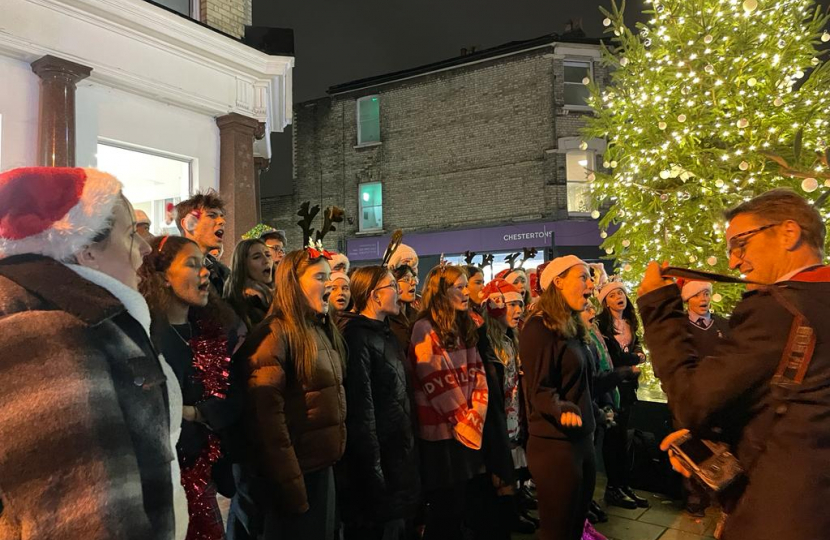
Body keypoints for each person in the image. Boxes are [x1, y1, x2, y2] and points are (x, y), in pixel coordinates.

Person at [638, 188, 830, 540]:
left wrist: (658, 307)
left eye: (741, 243)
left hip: (780, 518)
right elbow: (792, 406)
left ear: (789, 232)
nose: (733, 262)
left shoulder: (779, 309)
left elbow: (692, 401)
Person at [0, 167, 179, 539]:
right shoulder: (42, 329)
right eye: (131, 235)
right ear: (85, 251)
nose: (146, 248)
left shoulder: (82, 315)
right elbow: (83, 517)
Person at [232, 248, 347, 540]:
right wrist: (292, 488)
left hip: (320, 473)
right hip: (295, 480)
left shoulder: (317, 328)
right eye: (320, 277)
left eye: (329, 276)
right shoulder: (273, 336)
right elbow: (268, 425)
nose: (330, 284)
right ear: (294, 283)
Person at [140, 235, 245, 540]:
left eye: (205, 265)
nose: (205, 272)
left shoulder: (213, 332)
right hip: (167, 483)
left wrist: (194, 412)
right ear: (163, 279)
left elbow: (233, 399)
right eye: (191, 264)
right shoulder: (146, 337)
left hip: (208, 477)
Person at [337, 266, 420, 540]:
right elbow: (363, 413)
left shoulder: (386, 334)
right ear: (374, 295)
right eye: (393, 287)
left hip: (399, 457)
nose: (398, 292)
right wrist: (376, 478)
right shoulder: (358, 337)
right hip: (382, 465)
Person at [520, 255, 596, 540]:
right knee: (557, 530)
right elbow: (539, 389)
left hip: (582, 441)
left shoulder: (573, 327)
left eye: (590, 277)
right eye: (583, 277)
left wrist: (622, 374)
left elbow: (584, 382)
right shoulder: (539, 328)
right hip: (555, 448)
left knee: (575, 527)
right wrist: (560, 406)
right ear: (558, 282)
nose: (590, 284)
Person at [410, 264, 488, 540]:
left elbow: (478, 372)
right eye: (460, 287)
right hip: (441, 435)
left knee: (460, 506)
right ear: (442, 292)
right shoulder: (424, 328)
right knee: (444, 509)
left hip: (466, 430)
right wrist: (464, 419)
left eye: (468, 285)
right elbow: (435, 378)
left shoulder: (464, 324)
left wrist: (475, 413)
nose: (467, 292)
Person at [475, 278, 535, 537]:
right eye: (511, 304)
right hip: (496, 421)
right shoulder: (484, 341)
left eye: (520, 303)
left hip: (515, 418)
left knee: (515, 474)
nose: (518, 309)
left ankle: (513, 513)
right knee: (498, 480)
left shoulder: (513, 339)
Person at [676, 280, 729, 516]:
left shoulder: (723, 325)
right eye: (697, 295)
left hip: (722, 397)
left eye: (706, 293)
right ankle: (695, 499)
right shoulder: (679, 329)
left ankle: (722, 497)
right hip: (693, 398)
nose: (703, 299)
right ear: (688, 299)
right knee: (693, 447)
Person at [595, 281, 649, 510]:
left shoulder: (630, 323)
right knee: (613, 438)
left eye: (622, 293)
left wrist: (637, 356)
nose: (619, 297)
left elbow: (637, 348)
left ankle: (624, 486)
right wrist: (636, 360)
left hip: (628, 388)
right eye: (613, 294)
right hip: (611, 388)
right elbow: (612, 358)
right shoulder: (601, 326)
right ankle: (613, 488)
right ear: (605, 301)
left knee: (623, 437)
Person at [175, 191, 229, 295]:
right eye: (212, 215)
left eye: (221, 216)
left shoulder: (219, 271)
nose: (222, 221)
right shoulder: (170, 268)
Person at [224, 238, 275, 331]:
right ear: (243, 264)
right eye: (257, 257)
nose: (266, 260)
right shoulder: (246, 300)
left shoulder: (273, 291)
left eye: (268, 255)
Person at [389, 264, 420, 353]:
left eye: (413, 278)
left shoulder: (417, 316)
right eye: (406, 279)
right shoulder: (386, 320)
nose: (413, 283)